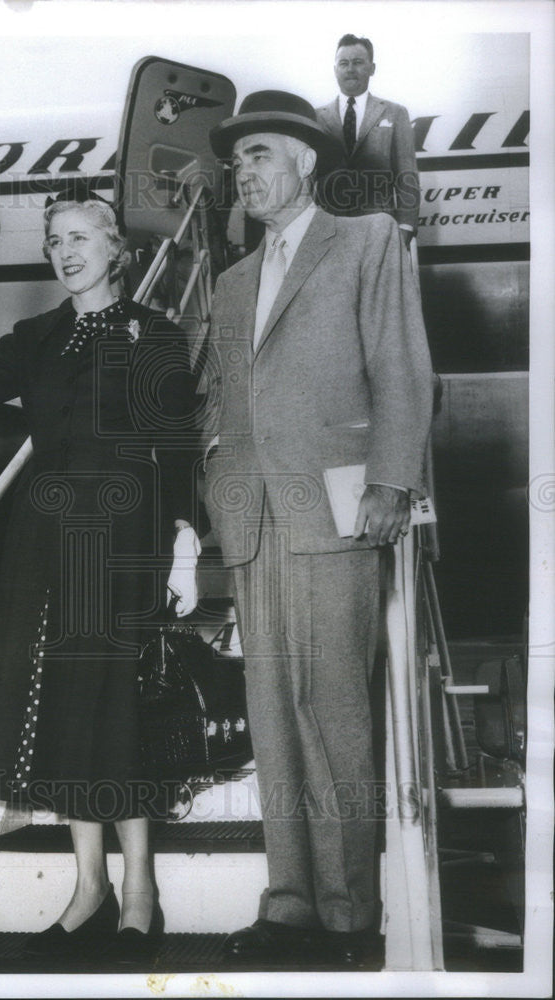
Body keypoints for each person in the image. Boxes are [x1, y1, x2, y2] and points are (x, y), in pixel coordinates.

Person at [0, 199, 201, 961]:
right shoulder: (38, 338)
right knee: (68, 708)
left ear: (116, 248)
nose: (65, 252)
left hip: (125, 534)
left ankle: (140, 893)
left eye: (80, 238)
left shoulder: (155, 333)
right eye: (54, 241)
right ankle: (89, 889)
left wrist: (184, 542)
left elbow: (176, 445)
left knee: (117, 708)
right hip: (44, 543)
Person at [203, 90, 433, 965]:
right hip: (255, 520)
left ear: (304, 161)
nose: (244, 172)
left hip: (337, 509)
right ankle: (290, 901)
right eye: (237, 161)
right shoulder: (229, 282)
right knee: (271, 715)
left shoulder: (368, 238)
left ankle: (348, 917)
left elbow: (402, 366)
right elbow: (221, 402)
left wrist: (390, 481)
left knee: (332, 709)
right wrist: (214, 485)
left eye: (259, 154)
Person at [316, 34, 420, 247]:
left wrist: (406, 228)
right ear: (335, 69)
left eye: (358, 62)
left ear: (372, 68)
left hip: (379, 230)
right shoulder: (316, 117)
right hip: (328, 230)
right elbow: (307, 180)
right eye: (343, 63)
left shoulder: (395, 113)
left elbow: (406, 176)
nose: (350, 69)